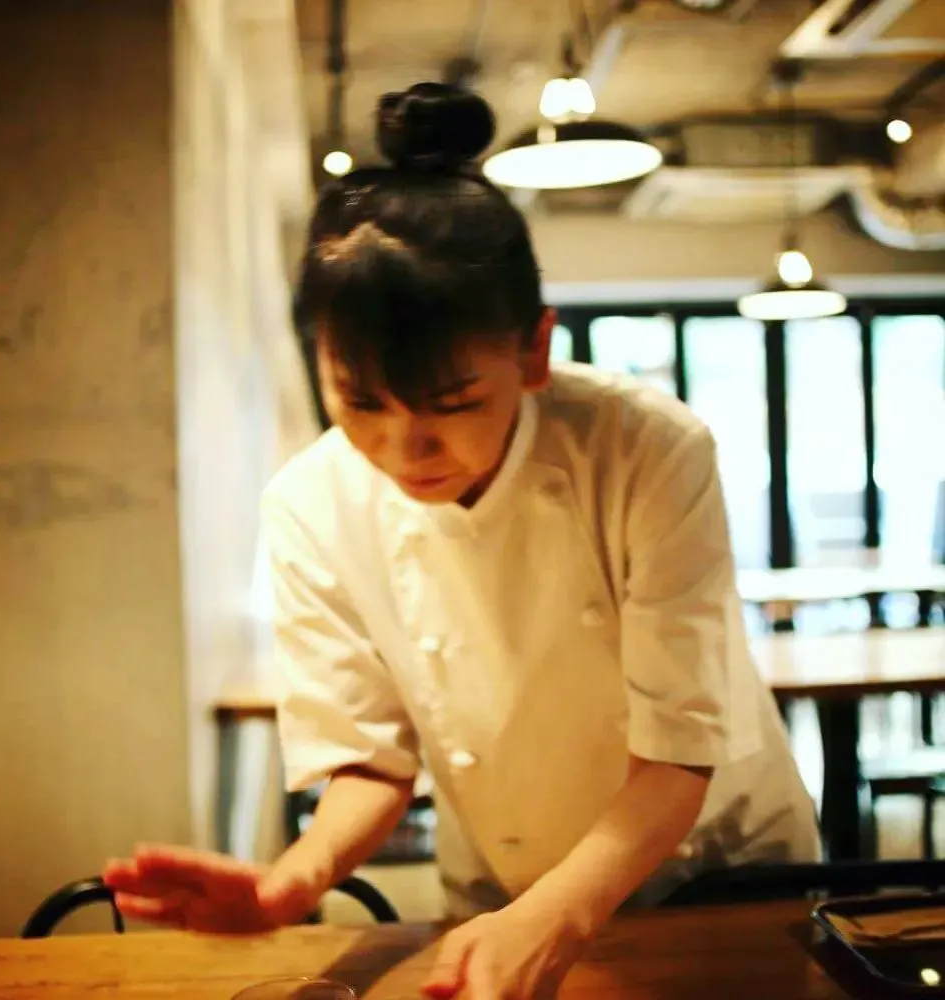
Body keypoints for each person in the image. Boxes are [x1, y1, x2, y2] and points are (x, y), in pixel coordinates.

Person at [104, 81, 820, 1000]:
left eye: (452, 404)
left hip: (717, 878)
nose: (403, 450)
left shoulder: (645, 448)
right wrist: (293, 882)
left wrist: (557, 915)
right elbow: (370, 759)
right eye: (360, 401)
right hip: (505, 885)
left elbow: (678, 749)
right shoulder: (309, 503)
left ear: (534, 351)